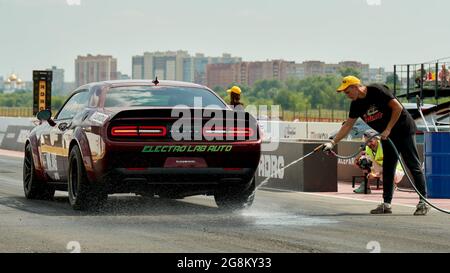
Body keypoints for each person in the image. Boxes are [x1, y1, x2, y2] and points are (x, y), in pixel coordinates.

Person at [323, 75, 429, 215]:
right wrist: (332, 142)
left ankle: (423, 202)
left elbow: (397, 108)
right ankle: (386, 204)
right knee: (388, 167)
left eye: (347, 92)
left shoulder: (377, 90)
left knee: (412, 164)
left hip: (403, 129)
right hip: (387, 135)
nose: (346, 95)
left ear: (355, 87)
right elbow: (348, 126)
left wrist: (388, 129)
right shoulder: (356, 104)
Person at [353, 129, 404, 194]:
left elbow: (389, 164)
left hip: (396, 171)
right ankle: (366, 187)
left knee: (388, 170)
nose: (369, 144)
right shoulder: (367, 147)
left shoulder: (385, 145)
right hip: (382, 171)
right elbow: (356, 163)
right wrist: (358, 157)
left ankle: (392, 185)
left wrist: (376, 174)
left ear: (377, 139)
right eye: (367, 141)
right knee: (364, 160)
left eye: (371, 141)